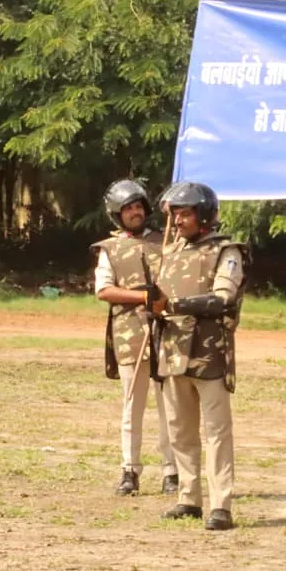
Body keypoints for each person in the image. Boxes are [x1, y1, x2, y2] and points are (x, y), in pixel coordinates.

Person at [152, 182, 249, 530]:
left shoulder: (227, 251)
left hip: (210, 353)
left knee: (217, 431)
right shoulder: (170, 252)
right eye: (175, 213)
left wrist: (172, 306)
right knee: (180, 429)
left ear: (204, 215)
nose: (178, 220)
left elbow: (221, 298)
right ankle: (188, 497)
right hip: (173, 350)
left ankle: (221, 503)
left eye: (186, 213)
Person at [91, 179, 177, 496]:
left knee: (170, 406)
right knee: (132, 406)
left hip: (166, 332)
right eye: (128, 208)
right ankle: (130, 470)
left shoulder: (166, 242)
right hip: (130, 334)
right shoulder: (108, 249)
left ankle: (172, 471)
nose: (135, 212)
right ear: (118, 213)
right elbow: (104, 290)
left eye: (138, 206)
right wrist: (142, 298)